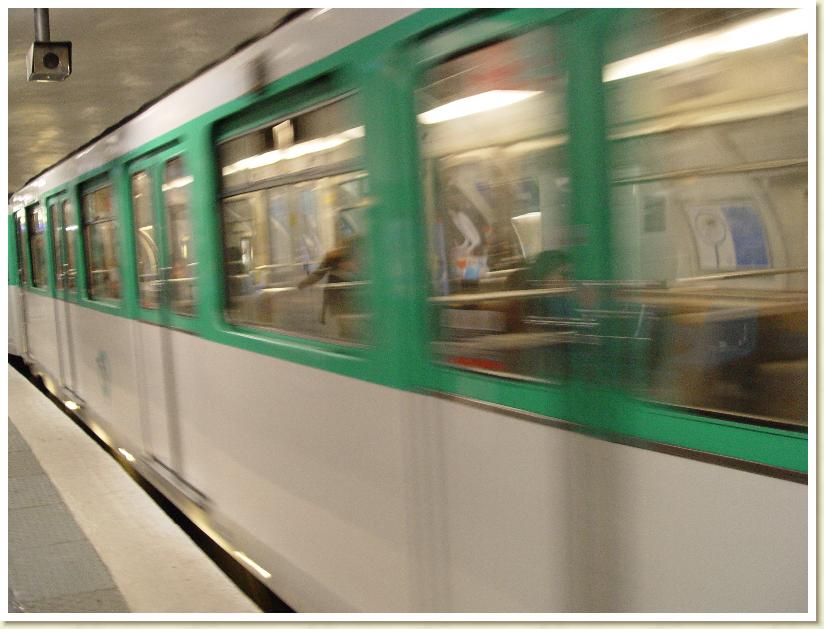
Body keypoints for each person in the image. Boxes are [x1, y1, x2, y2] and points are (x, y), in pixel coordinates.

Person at [298, 235, 363, 338]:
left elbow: (318, 274)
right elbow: (318, 273)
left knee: (348, 327)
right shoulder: (333, 257)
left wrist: (303, 284)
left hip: (347, 299)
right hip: (340, 299)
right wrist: (303, 284)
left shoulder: (358, 258)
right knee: (347, 327)